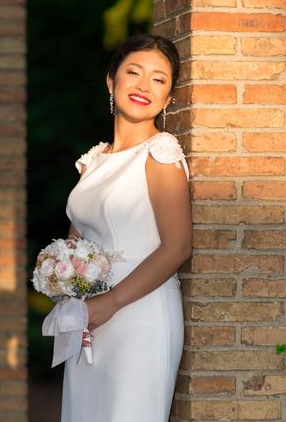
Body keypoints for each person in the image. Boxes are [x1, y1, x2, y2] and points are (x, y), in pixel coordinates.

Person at [62, 34, 192, 421]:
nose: (143, 86)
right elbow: (75, 244)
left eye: (158, 79)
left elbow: (178, 247)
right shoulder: (93, 162)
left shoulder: (161, 154)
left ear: (168, 99)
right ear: (111, 81)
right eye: (133, 72)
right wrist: (66, 292)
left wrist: (111, 302)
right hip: (88, 318)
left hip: (139, 313)